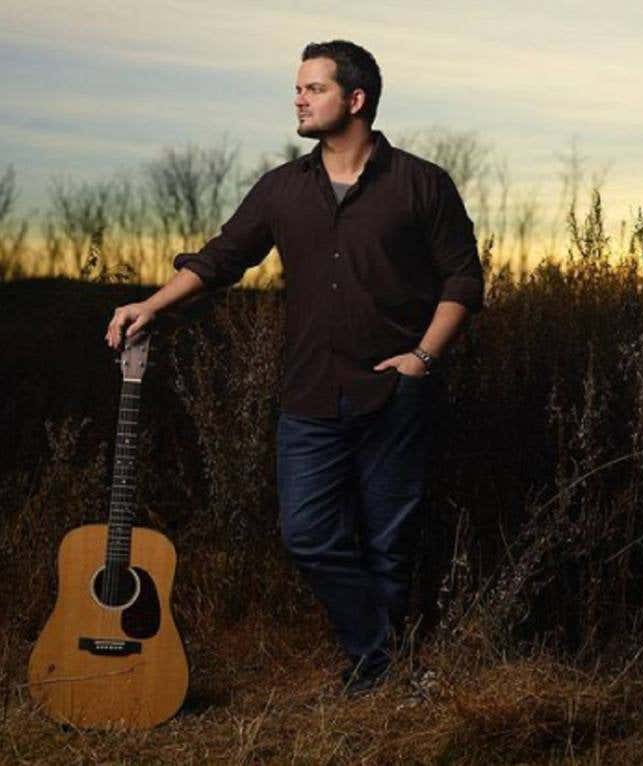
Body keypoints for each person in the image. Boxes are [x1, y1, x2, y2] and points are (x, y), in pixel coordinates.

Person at [105, 40, 485, 697]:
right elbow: (221, 259)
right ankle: (391, 661)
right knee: (307, 535)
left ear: (355, 99)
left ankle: (374, 681)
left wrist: (422, 359)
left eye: (313, 88)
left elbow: (465, 279)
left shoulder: (422, 183)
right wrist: (152, 304)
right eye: (299, 89)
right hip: (308, 392)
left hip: (395, 391)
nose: (299, 99)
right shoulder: (283, 188)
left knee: (391, 546)